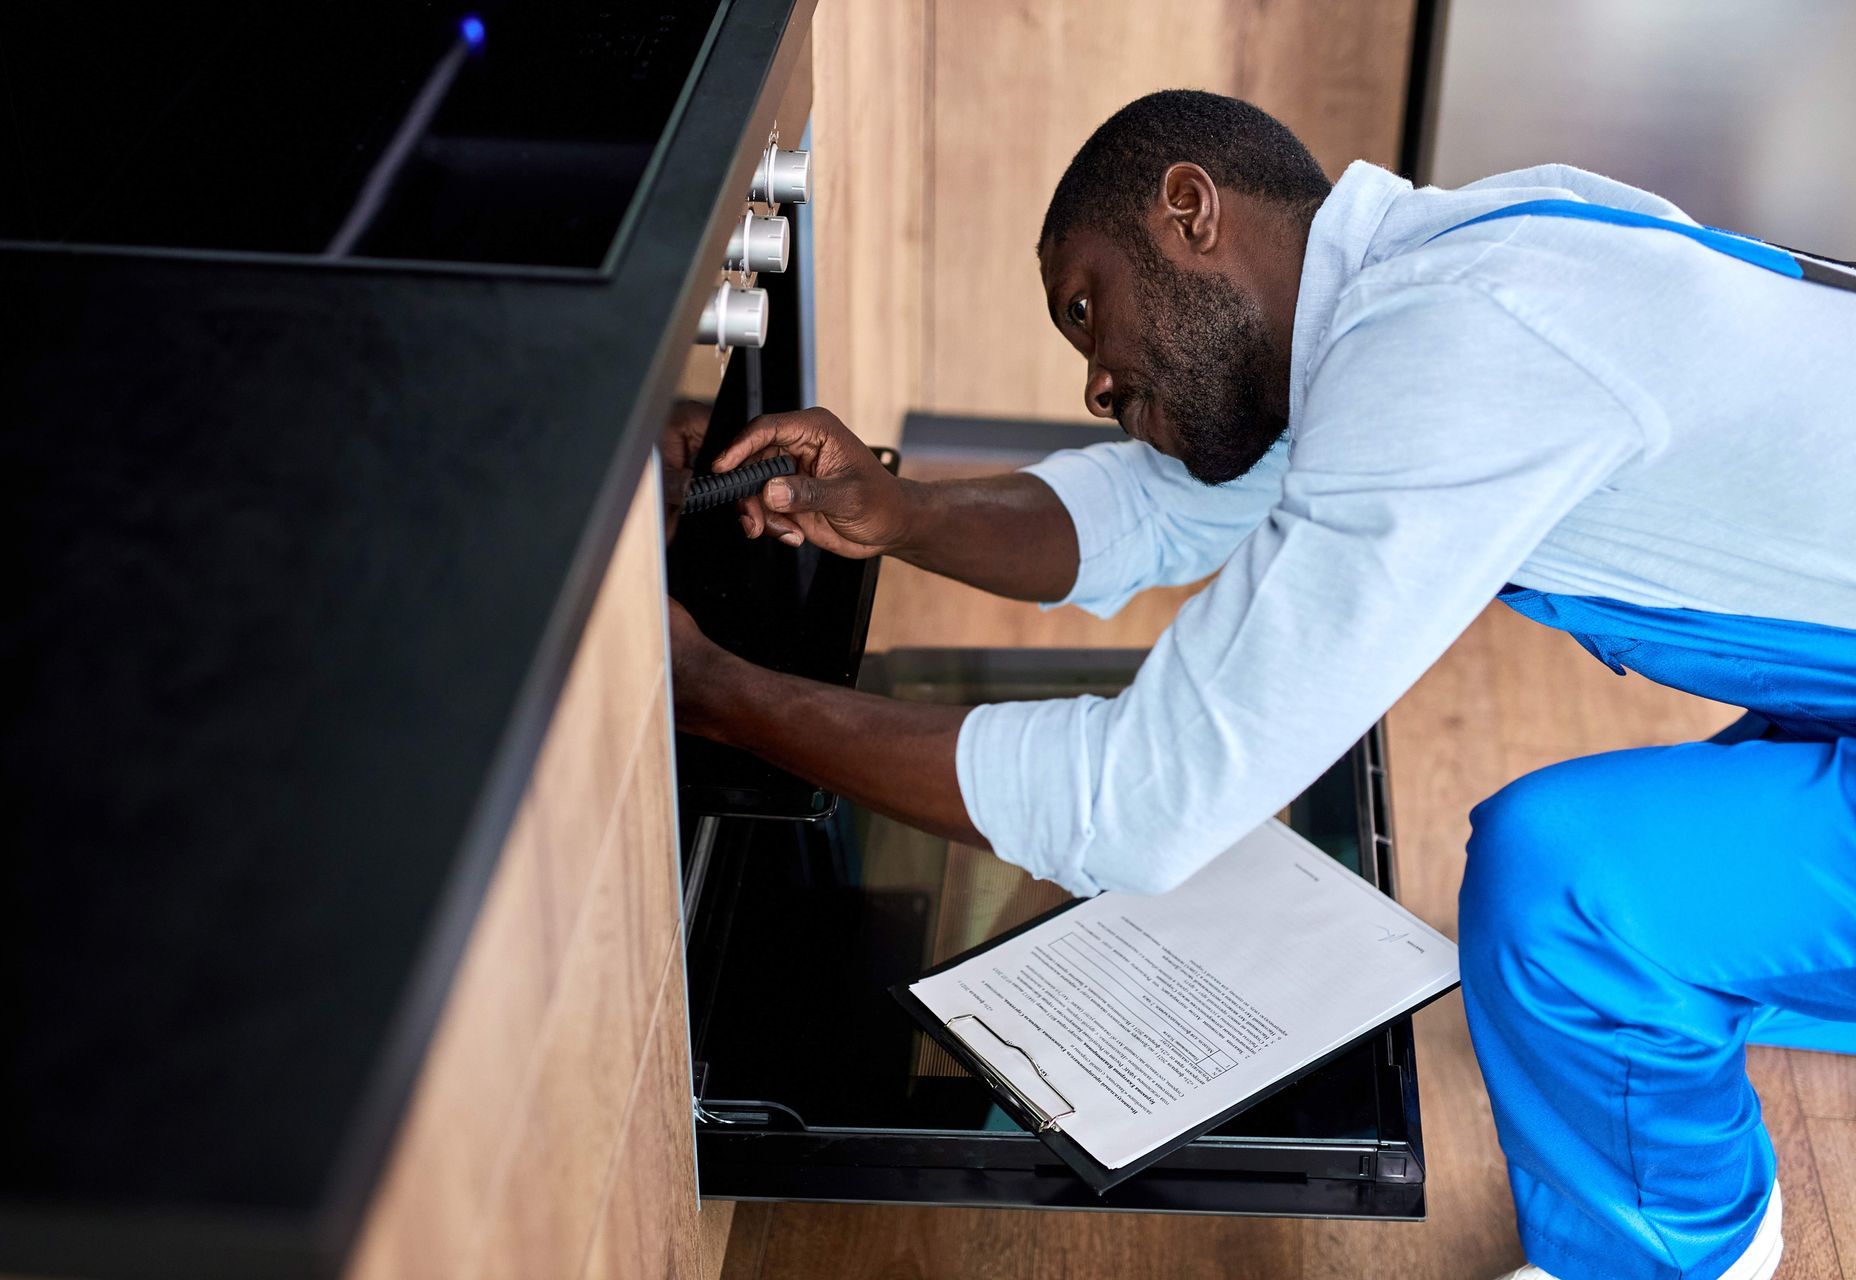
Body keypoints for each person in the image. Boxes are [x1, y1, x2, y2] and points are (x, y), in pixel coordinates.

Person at [666, 90, 1855, 1280]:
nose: (1094, 381)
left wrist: (719, 692)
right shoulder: (1428, 281)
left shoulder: (1462, 348)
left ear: (1190, 209)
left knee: (1572, 892)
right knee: (1720, 841)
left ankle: (1688, 1254)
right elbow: (1153, 509)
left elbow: (1138, 800)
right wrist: (903, 512)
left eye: (1089, 311)